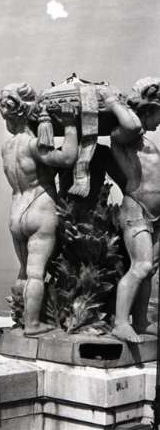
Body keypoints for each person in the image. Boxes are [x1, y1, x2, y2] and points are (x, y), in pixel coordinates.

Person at [0, 82, 78, 335]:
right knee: (35, 273)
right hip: (39, 208)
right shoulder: (33, 144)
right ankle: (32, 325)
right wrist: (70, 126)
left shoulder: (7, 147)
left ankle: (23, 320)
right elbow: (67, 158)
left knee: (23, 271)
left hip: (16, 212)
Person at [103, 78, 160, 342]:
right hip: (136, 207)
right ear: (149, 109)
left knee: (150, 270)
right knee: (141, 265)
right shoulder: (124, 135)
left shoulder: (146, 140)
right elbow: (132, 125)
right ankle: (120, 322)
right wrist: (113, 102)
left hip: (155, 214)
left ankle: (141, 320)